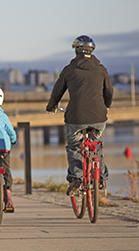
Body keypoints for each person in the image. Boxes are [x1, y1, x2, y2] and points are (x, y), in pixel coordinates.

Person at [46, 35, 113, 196]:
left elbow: (57, 91)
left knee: (74, 147)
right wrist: (106, 106)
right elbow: (109, 91)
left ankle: (76, 178)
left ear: (76, 51)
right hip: (99, 117)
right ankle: (101, 178)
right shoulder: (101, 69)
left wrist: (51, 106)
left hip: (75, 117)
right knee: (96, 145)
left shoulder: (69, 70)